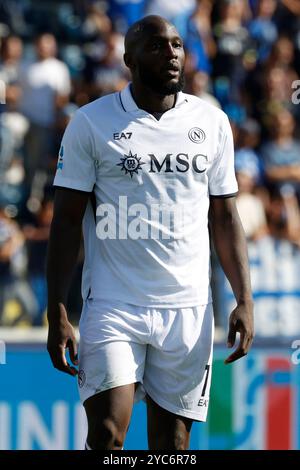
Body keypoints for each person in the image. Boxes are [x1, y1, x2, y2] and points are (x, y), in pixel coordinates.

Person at [46, 15, 254, 451]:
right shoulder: (91, 123)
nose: (172, 53)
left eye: (177, 44)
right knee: (106, 436)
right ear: (129, 59)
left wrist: (243, 298)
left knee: (173, 446)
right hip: (112, 306)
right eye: (158, 45)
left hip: (189, 310)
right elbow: (65, 222)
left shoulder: (212, 123)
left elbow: (226, 217)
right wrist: (57, 310)